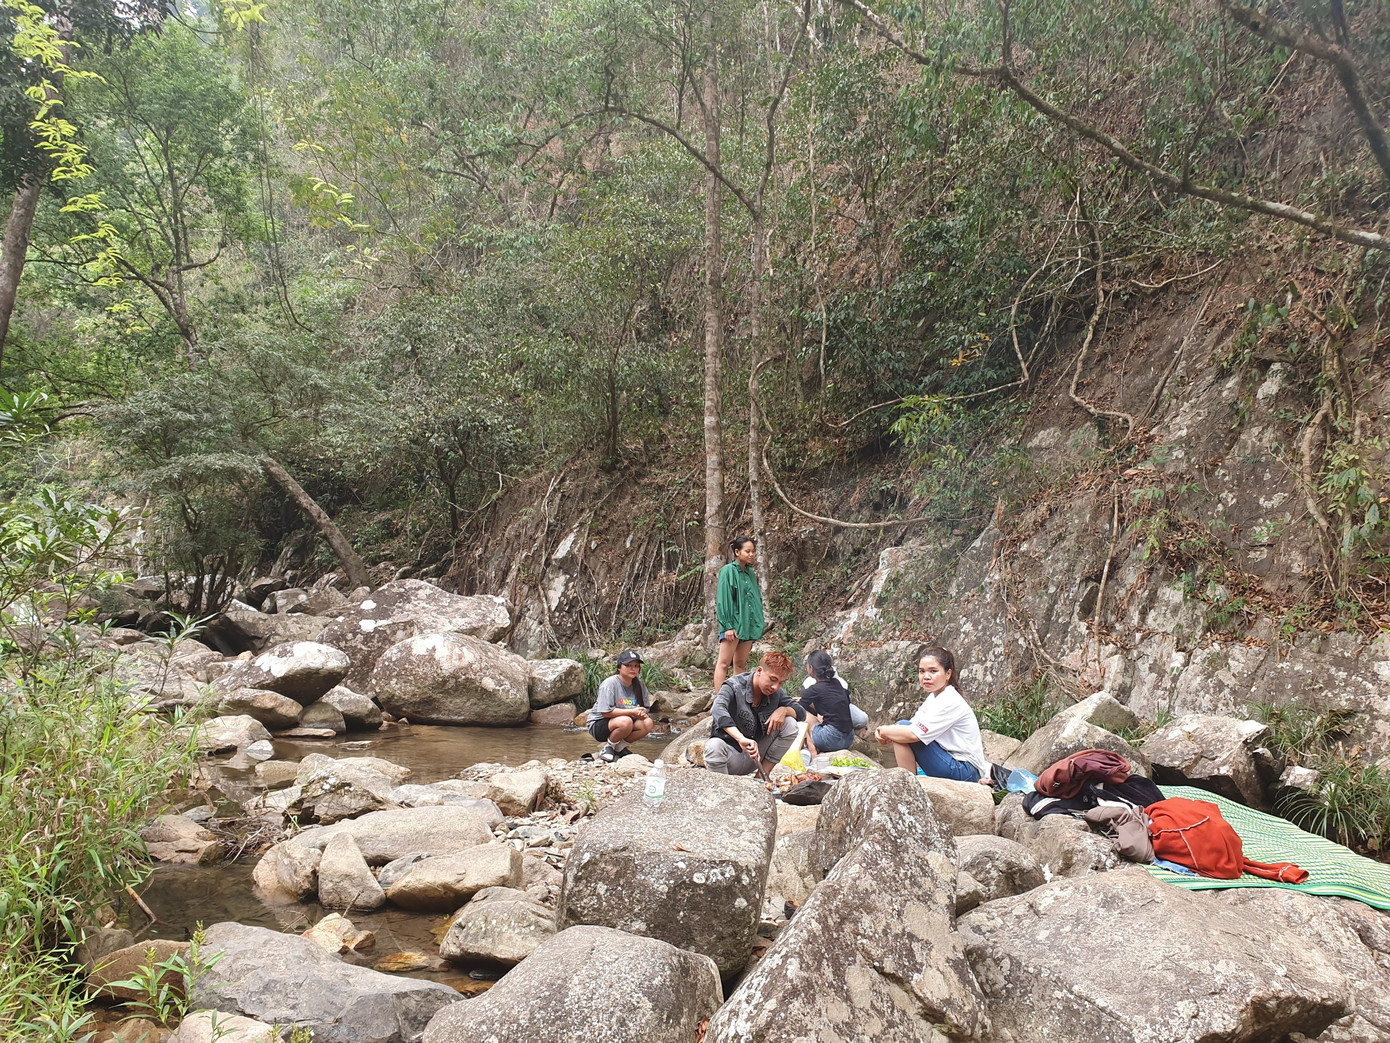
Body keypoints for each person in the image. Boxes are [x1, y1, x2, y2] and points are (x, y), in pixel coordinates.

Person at [874, 647, 990, 783]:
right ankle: (908, 782)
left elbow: (913, 735)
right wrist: (889, 731)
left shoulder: (949, 700)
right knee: (900, 729)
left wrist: (884, 730)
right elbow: (912, 726)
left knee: (901, 728)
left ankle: (908, 784)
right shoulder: (935, 697)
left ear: (948, 674)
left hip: (965, 770)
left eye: (933, 671)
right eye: (921, 671)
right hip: (952, 762)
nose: (926, 676)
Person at [705, 649, 805, 776]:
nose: (775, 687)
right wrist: (740, 738)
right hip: (730, 756)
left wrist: (784, 710)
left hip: (755, 757)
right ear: (759, 671)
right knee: (713, 746)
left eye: (780, 683)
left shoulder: (777, 693)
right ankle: (722, 785)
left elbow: (801, 713)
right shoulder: (734, 686)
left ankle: (762, 775)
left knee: (790, 723)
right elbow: (717, 708)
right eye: (772, 679)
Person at [713, 536, 764, 691]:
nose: (751, 554)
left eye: (753, 551)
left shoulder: (750, 574)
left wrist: (757, 623)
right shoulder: (728, 571)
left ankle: (738, 698)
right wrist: (727, 625)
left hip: (747, 624)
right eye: (747, 551)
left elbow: (755, 599)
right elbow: (723, 599)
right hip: (733, 624)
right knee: (723, 663)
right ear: (737, 552)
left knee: (740, 664)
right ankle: (720, 699)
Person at [586, 649, 655, 763]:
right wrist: (632, 712)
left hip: (625, 721)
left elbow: (645, 708)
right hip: (599, 724)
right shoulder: (610, 684)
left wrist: (641, 712)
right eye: (628, 665)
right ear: (619, 667)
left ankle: (619, 748)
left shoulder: (640, 685)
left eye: (636, 666)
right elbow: (605, 712)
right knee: (626, 721)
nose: (633, 669)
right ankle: (608, 747)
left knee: (648, 723)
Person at [799, 649, 870, 739]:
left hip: (834, 716)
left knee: (862, 719)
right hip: (837, 722)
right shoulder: (812, 684)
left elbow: (799, 707)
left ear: (811, 668)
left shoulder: (825, 683)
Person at [800, 650, 856, 759]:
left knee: (802, 713)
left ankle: (810, 747)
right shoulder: (837, 683)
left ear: (811, 668)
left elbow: (798, 708)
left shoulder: (814, 689)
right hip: (849, 739)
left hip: (830, 739)